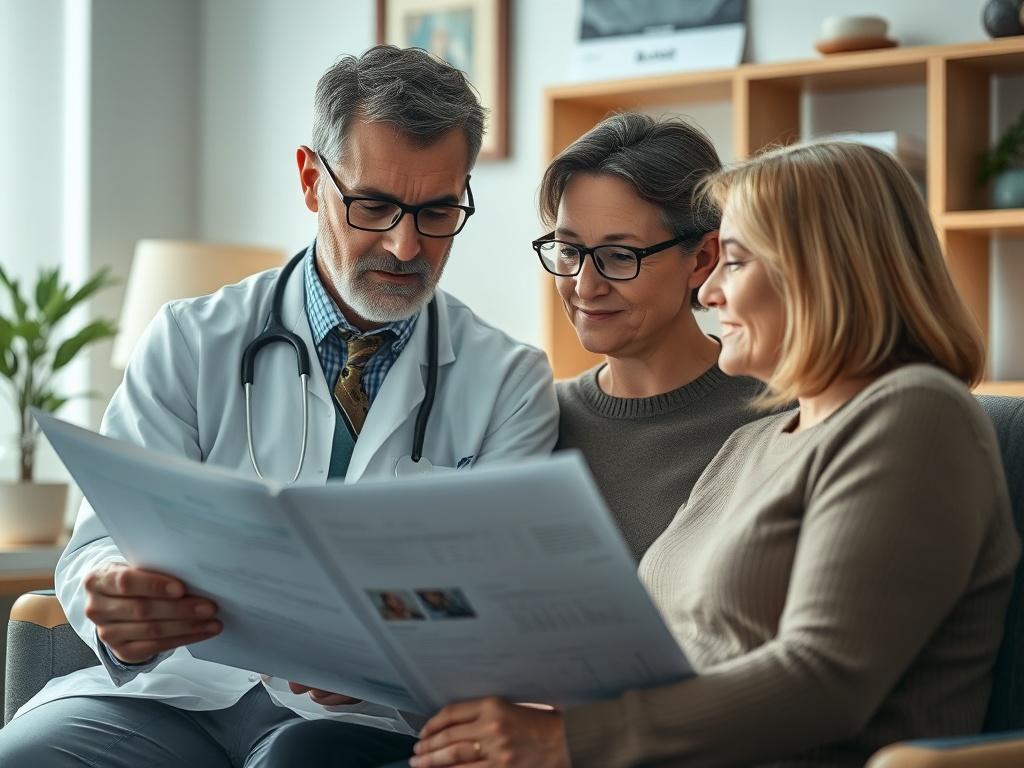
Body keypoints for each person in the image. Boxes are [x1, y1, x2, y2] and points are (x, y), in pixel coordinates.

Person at [0, 45, 557, 768]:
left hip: (368, 717)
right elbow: (99, 542)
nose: (405, 243)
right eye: (374, 205)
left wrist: (383, 657)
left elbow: (497, 607)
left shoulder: (509, 381)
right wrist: (112, 594)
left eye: (438, 211)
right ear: (309, 179)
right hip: (173, 691)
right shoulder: (190, 339)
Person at [400, 141, 1020, 767]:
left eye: (735, 262)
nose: (712, 292)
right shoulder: (753, 442)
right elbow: (670, 659)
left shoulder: (914, 414)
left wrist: (567, 741)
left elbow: (824, 677)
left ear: (824, 271)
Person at [542, 112, 763, 561]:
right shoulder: (535, 419)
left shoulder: (780, 415)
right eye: (569, 251)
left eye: (619, 256)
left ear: (702, 259)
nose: (585, 287)